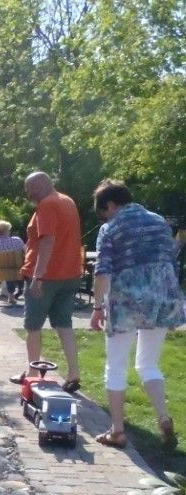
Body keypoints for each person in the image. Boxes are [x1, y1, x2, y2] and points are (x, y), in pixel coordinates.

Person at [89, 179, 186, 449]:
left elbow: (102, 272)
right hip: (161, 298)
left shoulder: (111, 228)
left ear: (110, 205)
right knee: (147, 364)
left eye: (103, 211)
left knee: (116, 365)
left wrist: (97, 308)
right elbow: (171, 258)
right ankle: (163, 416)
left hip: (126, 302)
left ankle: (117, 430)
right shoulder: (159, 222)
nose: (104, 217)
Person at [9, 172, 82, 391]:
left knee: (33, 326)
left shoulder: (47, 205)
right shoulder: (67, 201)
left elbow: (48, 240)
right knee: (64, 325)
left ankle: (32, 374)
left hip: (46, 277)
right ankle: (73, 374)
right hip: (70, 273)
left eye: (29, 190)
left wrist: (38, 276)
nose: (28, 195)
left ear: (38, 187)